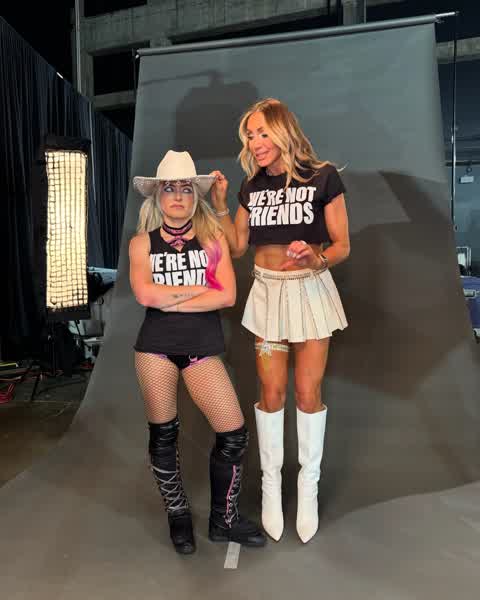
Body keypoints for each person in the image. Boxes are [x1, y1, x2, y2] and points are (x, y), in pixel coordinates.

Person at [209, 99, 350, 543]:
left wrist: (316, 257)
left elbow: (342, 244)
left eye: (262, 132)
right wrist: (219, 204)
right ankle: (271, 486)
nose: (255, 142)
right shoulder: (251, 186)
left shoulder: (323, 177)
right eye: (250, 135)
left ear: (284, 132)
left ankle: (308, 488)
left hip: (310, 291)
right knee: (270, 392)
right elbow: (237, 247)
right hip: (267, 293)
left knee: (308, 392)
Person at [129, 150, 265, 554]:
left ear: (195, 196)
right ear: (157, 196)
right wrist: (198, 290)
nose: (177, 196)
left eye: (186, 188)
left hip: (201, 350)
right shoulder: (141, 243)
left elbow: (226, 296)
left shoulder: (213, 240)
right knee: (163, 435)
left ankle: (224, 520)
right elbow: (144, 295)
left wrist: (169, 297)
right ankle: (178, 515)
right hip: (155, 350)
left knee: (233, 433)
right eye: (169, 188)